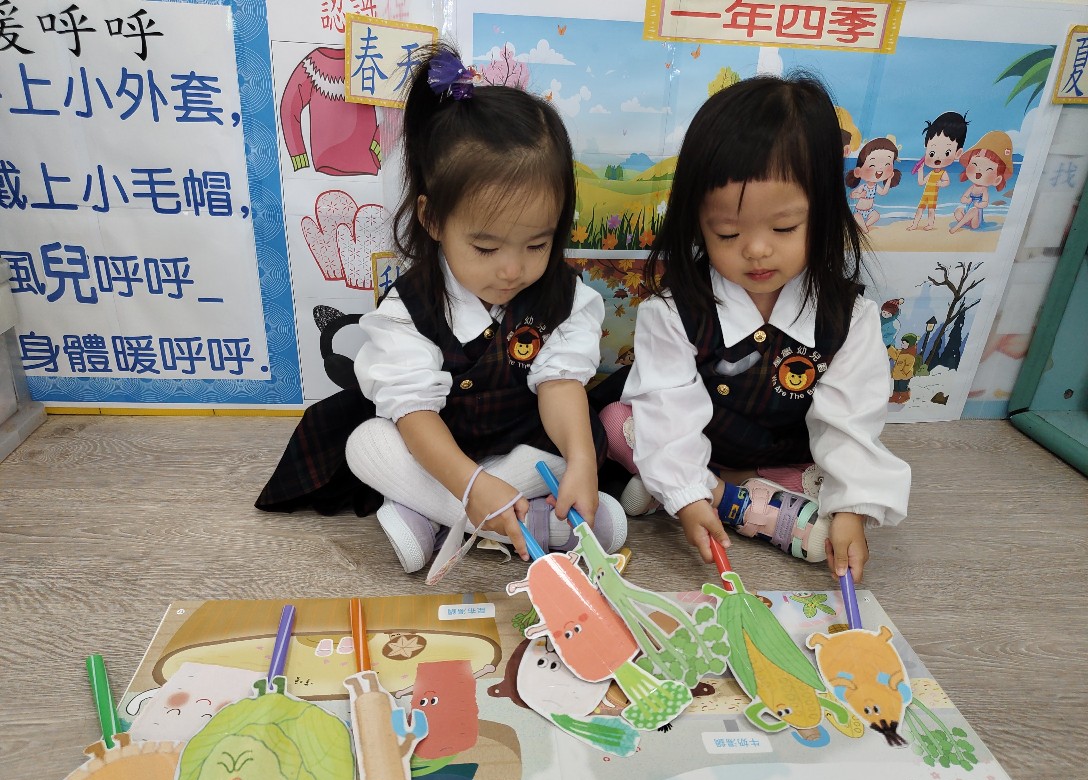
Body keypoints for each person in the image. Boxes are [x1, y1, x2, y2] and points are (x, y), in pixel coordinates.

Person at [598, 74, 910, 581]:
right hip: (700, 444)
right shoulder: (673, 311)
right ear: (698, 222)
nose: (757, 250)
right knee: (618, 422)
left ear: (824, 213)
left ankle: (716, 490)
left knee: (831, 489)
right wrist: (688, 497)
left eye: (784, 228)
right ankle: (716, 495)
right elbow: (668, 411)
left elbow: (849, 424)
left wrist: (852, 511)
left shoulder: (849, 317)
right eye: (727, 232)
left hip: (787, 457)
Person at [341, 44, 625, 573]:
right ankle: (506, 518)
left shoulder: (561, 297)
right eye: (486, 248)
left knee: (567, 448)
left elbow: (560, 386)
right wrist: (470, 484)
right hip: (440, 450)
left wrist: (582, 462)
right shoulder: (410, 308)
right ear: (432, 219)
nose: (512, 271)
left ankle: (432, 514)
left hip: (521, 445)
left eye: (537, 245)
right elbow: (414, 413)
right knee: (367, 443)